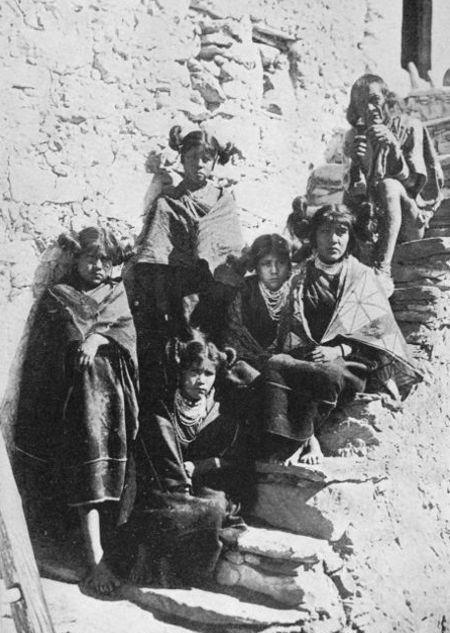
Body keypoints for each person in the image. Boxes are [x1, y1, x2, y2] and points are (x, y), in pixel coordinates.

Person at [15, 227, 139, 595]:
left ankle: (106, 553)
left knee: (110, 470)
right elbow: (49, 354)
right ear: (77, 259)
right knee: (86, 467)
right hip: (74, 404)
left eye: (104, 259)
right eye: (90, 258)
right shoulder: (59, 296)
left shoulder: (116, 294)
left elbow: (125, 335)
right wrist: (78, 343)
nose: (97, 266)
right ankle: (93, 557)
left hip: (112, 405)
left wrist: (100, 337)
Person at [260, 205, 422, 465]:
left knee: (328, 373)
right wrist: (303, 349)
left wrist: (337, 351)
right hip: (307, 352)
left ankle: (303, 439)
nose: (333, 239)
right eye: (325, 231)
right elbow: (288, 326)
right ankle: (298, 438)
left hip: (353, 360)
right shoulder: (300, 276)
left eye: (341, 231)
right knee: (274, 365)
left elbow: (377, 335)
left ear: (350, 237)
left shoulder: (362, 277)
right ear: (313, 236)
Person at [126, 124, 244, 407]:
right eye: (192, 157)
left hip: (216, 293)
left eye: (206, 158)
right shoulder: (168, 202)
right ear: (182, 159)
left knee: (218, 354)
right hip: (178, 295)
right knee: (182, 356)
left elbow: (232, 252)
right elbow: (154, 256)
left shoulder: (224, 202)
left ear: (215, 162)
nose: (199, 164)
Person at [128, 333, 245, 586]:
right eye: (194, 371)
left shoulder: (222, 412)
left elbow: (233, 459)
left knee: (213, 507)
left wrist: (200, 466)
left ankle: (186, 571)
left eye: (208, 374)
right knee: (161, 501)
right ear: (181, 372)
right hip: (166, 483)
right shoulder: (163, 409)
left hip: (205, 483)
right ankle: (152, 557)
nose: (200, 380)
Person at [343, 73, 443, 289]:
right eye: (361, 104)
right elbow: (354, 196)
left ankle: (382, 268)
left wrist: (394, 149)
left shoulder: (408, 126)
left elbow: (416, 185)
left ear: (387, 100)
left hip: (409, 221)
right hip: (373, 223)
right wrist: (354, 163)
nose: (369, 109)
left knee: (389, 186)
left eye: (374, 100)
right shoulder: (354, 137)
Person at [222, 234, 291, 372]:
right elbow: (234, 339)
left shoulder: (295, 292)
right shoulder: (242, 292)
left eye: (280, 263)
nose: (274, 271)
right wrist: (267, 359)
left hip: (288, 363)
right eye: (266, 264)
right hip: (246, 366)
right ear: (256, 266)